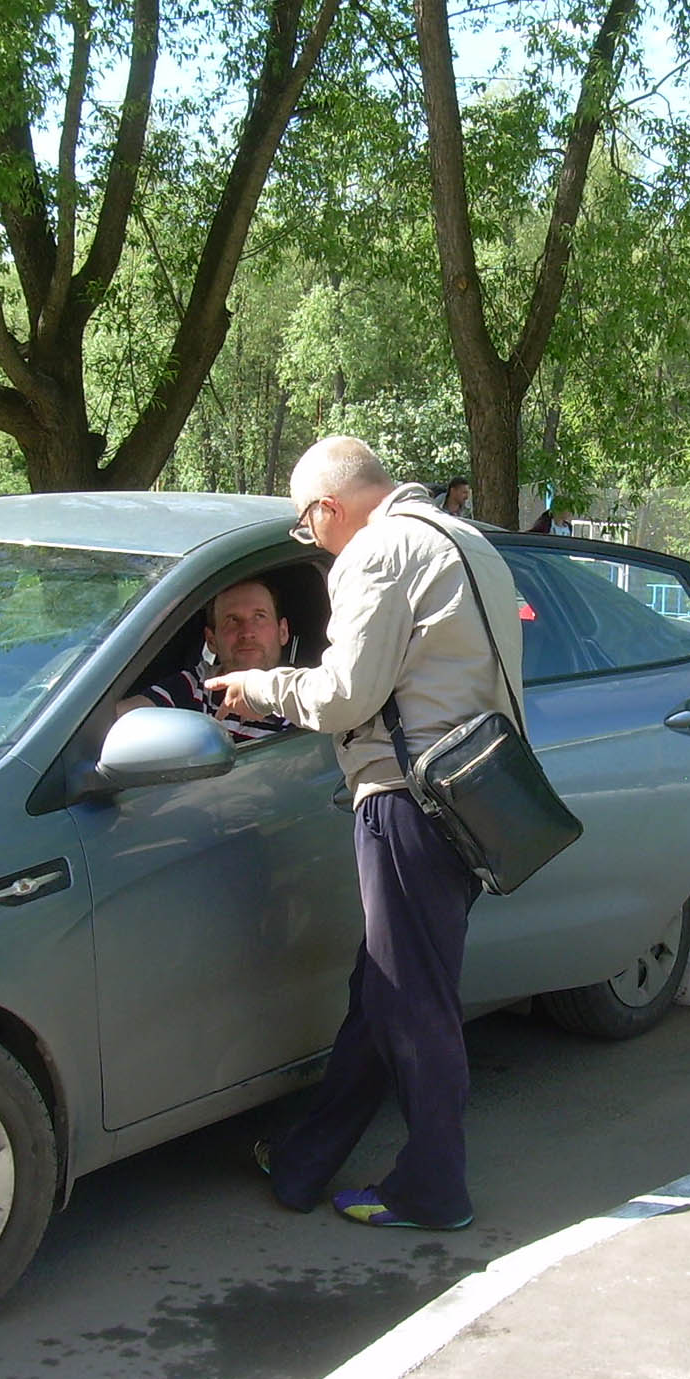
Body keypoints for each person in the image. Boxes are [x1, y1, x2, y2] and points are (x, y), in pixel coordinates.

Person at [206, 436, 521, 1231]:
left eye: (308, 529)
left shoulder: (375, 552)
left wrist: (258, 685)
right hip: (474, 795)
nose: (312, 543)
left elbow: (345, 697)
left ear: (326, 508)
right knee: (383, 990)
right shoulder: (463, 537)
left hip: (407, 799)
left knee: (412, 1003)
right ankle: (305, 1158)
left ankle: (433, 1188)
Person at [114, 578, 293, 742]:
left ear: (282, 632)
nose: (247, 632)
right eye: (232, 620)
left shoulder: (302, 697)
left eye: (259, 617)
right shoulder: (197, 686)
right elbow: (109, 721)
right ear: (211, 640)